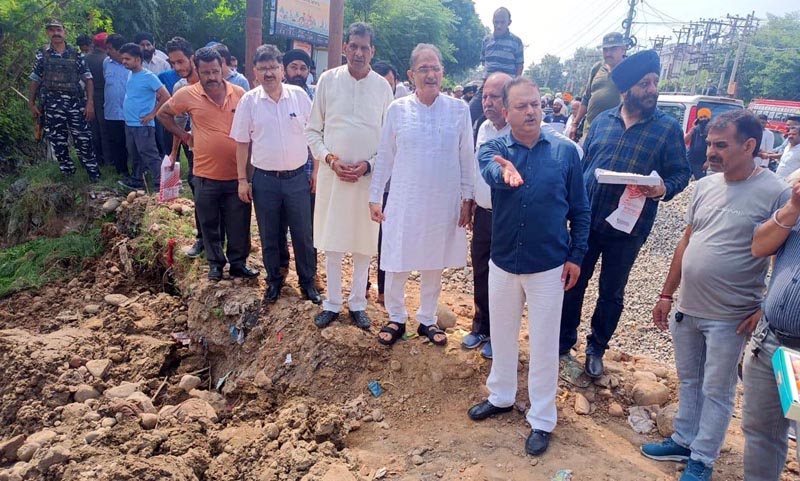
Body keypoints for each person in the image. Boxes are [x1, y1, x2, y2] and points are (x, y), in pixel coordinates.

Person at [642, 110, 789, 481]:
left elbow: (785, 256)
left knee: (717, 389)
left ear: (750, 146)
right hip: (688, 306)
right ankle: (684, 439)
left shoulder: (777, 192)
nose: (710, 151)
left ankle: (703, 459)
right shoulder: (705, 185)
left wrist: (766, 307)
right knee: (689, 380)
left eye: (721, 145)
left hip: (731, 315)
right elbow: (687, 240)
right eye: (709, 143)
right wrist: (665, 293)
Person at [468, 76, 590, 457]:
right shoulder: (492, 147)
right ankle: (501, 396)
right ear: (505, 112)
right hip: (504, 262)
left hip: (548, 266)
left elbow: (581, 209)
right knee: (501, 335)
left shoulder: (565, 152)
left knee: (543, 344)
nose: (531, 111)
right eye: (521, 106)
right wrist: (503, 173)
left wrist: (576, 256)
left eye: (535, 104)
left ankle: (541, 418)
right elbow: (490, 172)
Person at [559, 50, 691, 381]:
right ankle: (562, 343)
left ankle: (596, 349)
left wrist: (661, 188)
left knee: (612, 291)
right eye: (644, 83)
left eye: (654, 83)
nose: (651, 90)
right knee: (572, 282)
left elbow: (681, 174)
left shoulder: (667, 129)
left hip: (629, 228)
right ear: (626, 89)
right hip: (588, 221)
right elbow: (585, 165)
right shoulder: (602, 121)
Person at [369, 44, 474, 347]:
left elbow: (467, 157)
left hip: (443, 201)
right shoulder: (398, 109)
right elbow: (385, 156)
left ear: (443, 72)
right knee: (398, 257)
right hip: (405, 198)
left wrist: (467, 199)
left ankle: (427, 318)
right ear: (411, 74)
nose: (431, 74)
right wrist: (375, 196)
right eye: (424, 69)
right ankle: (396, 316)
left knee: (434, 259)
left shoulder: (458, 110)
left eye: (436, 68)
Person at [306, 22, 394, 329]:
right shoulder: (327, 82)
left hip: (367, 179)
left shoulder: (383, 88)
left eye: (364, 47)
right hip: (334, 176)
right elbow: (313, 131)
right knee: (332, 241)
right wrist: (330, 160)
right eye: (353, 46)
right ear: (345, 47)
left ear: (373, 51)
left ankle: (357, 303)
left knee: (363, 243)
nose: (358, 52)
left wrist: (369, 165)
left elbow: (389, 140)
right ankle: (331, 303)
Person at [158, 47, 258, 281]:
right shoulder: (187, 94)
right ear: (197, 69)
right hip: (205, 173)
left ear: (222, 66)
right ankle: (215, 264)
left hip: (237, 174)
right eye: (206, 73)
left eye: (215, 71)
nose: (212, 77)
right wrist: (184, 136)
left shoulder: (240, 93)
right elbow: (164, 114)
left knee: (239, 223)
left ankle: (238, 264)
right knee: (209, 222)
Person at [231, 44, 320, 301]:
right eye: (263, 68)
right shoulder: (249, 101)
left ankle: (308, 282)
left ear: (281, 69)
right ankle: (274, 281)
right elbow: (241, 143)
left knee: (303, 234)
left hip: (297, 179)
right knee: (270, 234)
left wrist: (315, 170)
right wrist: (242, 180)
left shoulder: (299, 97)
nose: (268, 73)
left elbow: (313, 135)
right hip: (265, 180)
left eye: (273, 67)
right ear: (255, 72)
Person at [744, 176, 800, 481]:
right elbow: (759, 246)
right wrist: (793, 206)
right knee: (762, 434)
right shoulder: (796, 207)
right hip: (771, 342)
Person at [462, 72, 511, 359]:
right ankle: (480, 326)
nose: (488, 102)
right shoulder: (482, 127)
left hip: (508, 217)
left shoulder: (520, 132)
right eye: (485, 96)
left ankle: (499, 334)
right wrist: (468, 201)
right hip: (483, 214)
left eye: (495, 96)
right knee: (480, 270)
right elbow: (473, 169)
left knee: (504, 277)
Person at [28, 19, 101, 181]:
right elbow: (35, 79)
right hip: (52, 106)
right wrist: (31, 103)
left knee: (83, 139)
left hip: (75, 105)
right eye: (52, 30)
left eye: (58, 30)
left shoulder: (76, 54)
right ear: (48, 33)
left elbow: (88, 79)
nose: (56, 33)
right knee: (58, 141)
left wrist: (90, 104)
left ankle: (93, 175)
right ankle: (68, 175)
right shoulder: (42, 55)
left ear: (64, 31)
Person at [164, 36, 205, 259]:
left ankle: (229, 243)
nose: (178, 67)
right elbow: (177, 120)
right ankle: (202, 238)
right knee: (198, 189)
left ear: (192, 58)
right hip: (195, 148)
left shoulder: (211, 78)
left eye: (181, 61)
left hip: (220, 149)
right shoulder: (180, 87)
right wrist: (176, 148)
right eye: (173, 63)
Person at [278, 48, 318, 277]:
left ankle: (310, 274)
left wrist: (317, 172)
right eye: (294, 67)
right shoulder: (276, 94)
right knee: (279, 224)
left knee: (306, 228)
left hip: (309, 172)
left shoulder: (315, 96)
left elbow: (320, 134)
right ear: (284, 69)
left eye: (303, 68)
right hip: (282, 172)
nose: (298, 72)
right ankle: (282, 268)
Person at [368, 60, 402, 304]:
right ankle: (362, 285)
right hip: (363, 181)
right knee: (362, 237)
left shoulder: (403, 111)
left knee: (385, 239)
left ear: (395, 84)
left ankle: (383, 290)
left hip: (392, 188)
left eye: (388, 85)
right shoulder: (366, 110)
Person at [117, 43, 170, 190]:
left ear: (138, 59)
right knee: (134, 154)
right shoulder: (130, 75)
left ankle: (161, 184)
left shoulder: (149, 77)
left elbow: (165, 96)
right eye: (123, 59)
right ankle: (137, 180)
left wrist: (152, 114)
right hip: (130, 123)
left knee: (149, 154)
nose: (124, 62)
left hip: (143, 124)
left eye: (127, 59)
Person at [569, 32, 627, 141]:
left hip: (614, 132)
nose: (608, 53)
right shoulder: (597, 68)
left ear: (623, 49)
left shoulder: (630, 70)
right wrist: (575, 124)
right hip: (590, 129)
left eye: (613, 49)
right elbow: (586, 99)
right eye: (605, 50)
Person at [103, 33, 130, 176]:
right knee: (116, 144)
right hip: (112, 112)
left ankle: (140, 174)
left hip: (129, 113)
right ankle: (122, 172)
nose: (107, 52)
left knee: (133, 145)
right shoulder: (106, 63)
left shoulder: (132, 64)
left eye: (110, 48)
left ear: (119, 50)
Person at [84, 32, 111, 167]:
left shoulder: (85, 58)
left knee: (94, 129)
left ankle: (97, 159)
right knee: (105, 129)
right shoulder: (107, 59)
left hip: (89, 97)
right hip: (105, 96)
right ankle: (108, 159)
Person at [685, 108, 711, 180]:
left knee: (700, 181)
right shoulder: (695, 129)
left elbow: (712, 147)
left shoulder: (710, 130)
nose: (703, 119)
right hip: (690, 159)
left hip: (701, 162)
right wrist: (692, 129)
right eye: (701, 117)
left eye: (705, 117)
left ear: (709, 118)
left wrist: (707, 161)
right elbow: (684, 141)